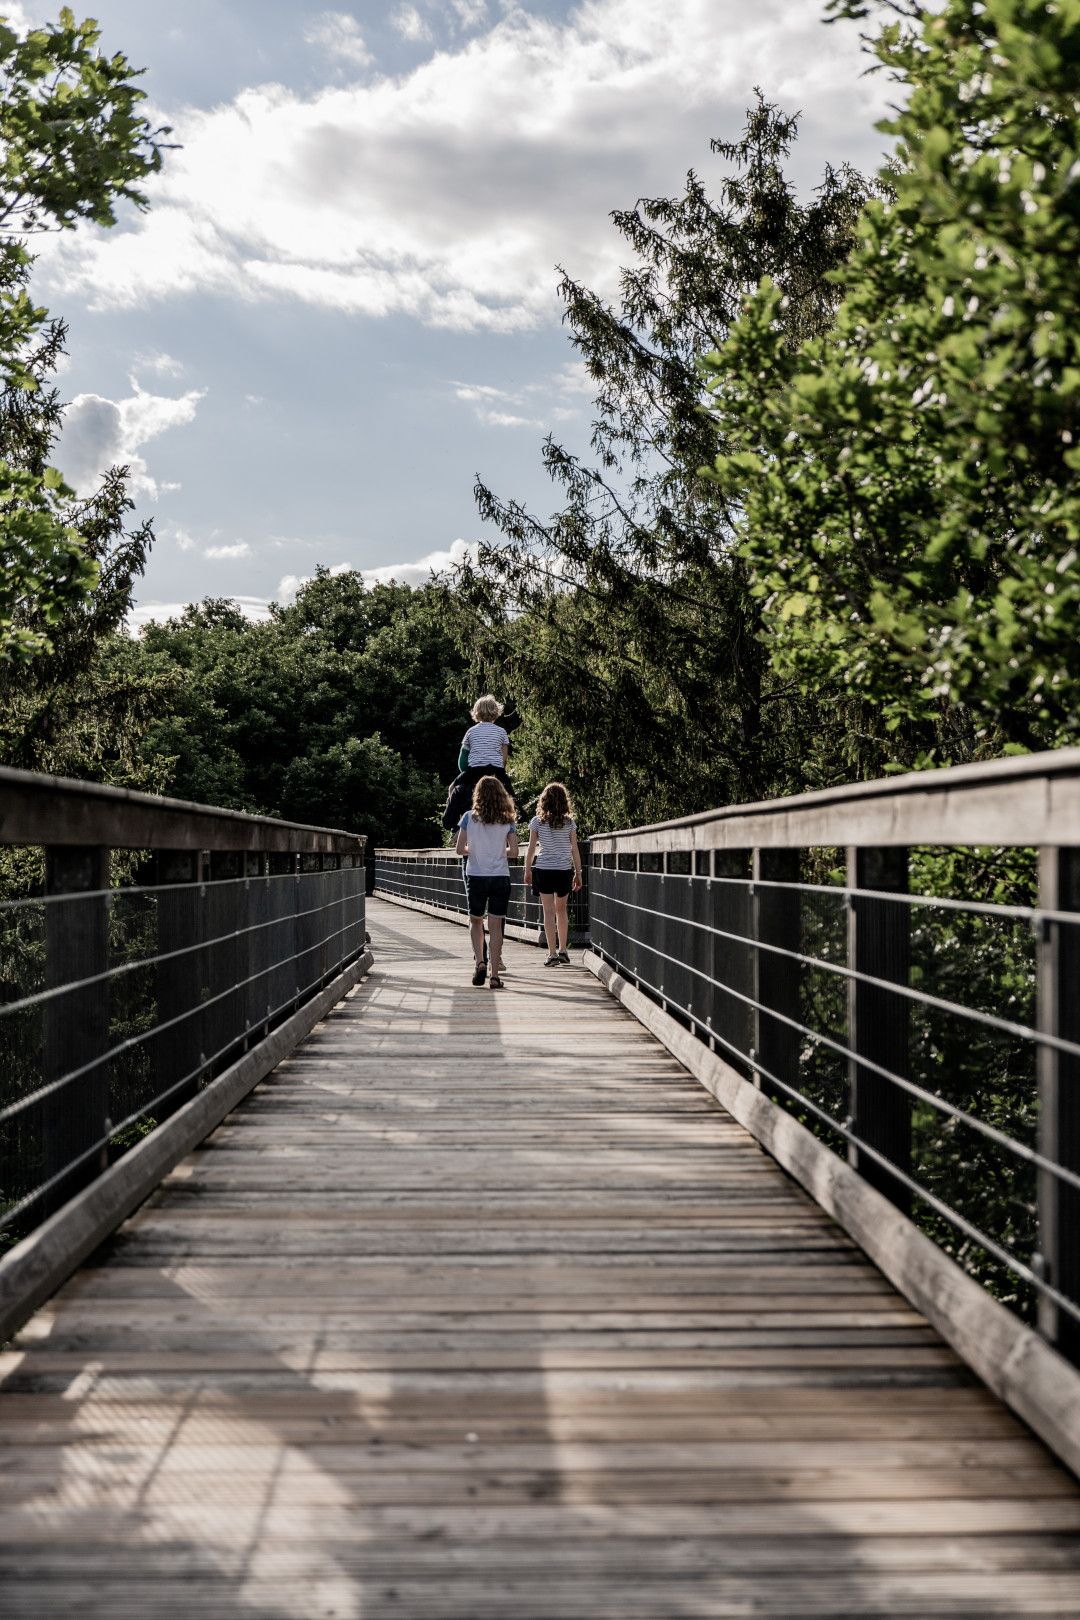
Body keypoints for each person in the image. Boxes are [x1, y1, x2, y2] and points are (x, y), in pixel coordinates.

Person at [455, 775, 519, 989]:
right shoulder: (508, 819)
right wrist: (499, 851)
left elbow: (459, 849)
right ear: (501, 795)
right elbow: (515, 852)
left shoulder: (468, 817)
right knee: (496, 925)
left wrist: (474, 851)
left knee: (476, 921)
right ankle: (494, 975)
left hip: (476, 875)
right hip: (500, 876)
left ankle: (480, 962)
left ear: (478, 795)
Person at [523, 782, 582, 966]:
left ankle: (552, 954)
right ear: (564, 801)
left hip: (544, 869)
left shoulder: (537, 822)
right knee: (561, 910)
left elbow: (531, 849)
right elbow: (575, 850)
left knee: (548, 912)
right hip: (564, 870)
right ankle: (563, 950)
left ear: (544, 801)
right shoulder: (569, 823)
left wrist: (527, 869)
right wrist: (578, 873)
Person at [441, 695, 517, 829]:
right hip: (495, 770)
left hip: (475, 770)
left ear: (476, 712)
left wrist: (465, 770)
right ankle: (517, 813)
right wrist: (500, 771)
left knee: (453, 788)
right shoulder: (501, 732)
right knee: (510, 792)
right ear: (496, 711)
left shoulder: (471, 731)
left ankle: (452, 821)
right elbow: (504, 758)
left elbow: (463, 757)